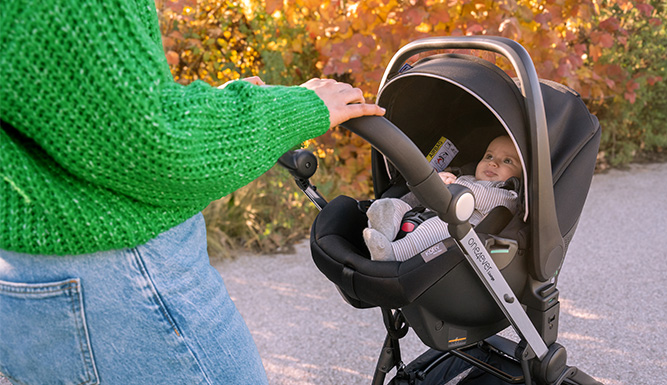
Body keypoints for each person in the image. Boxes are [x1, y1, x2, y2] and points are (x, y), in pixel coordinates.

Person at [0, 1, 385, 384]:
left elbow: (84, 113)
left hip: (25, 264)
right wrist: (299, 107)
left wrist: (211, 109)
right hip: (119, 273)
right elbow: (157, 146)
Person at [363, 135, 521, 261]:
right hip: (424, 213)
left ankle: (392, 253)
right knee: (397, 205)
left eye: (507, 161)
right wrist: (439, 181)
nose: (493, 163)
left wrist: (454, 185)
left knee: (433, 230)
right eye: (489, 156)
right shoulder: (467, 177)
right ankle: (383, 228)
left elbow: (483, 197)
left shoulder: (507, 194)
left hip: (456, 230)